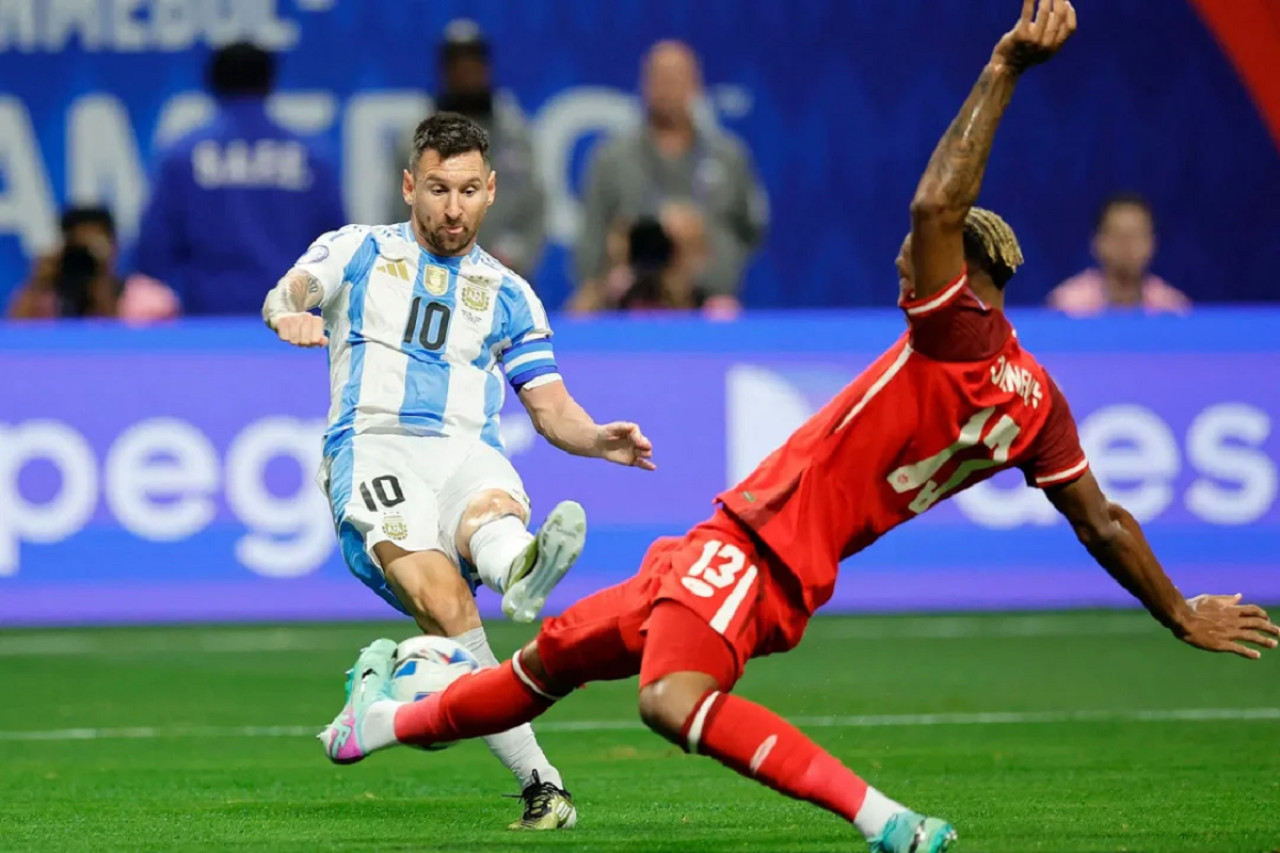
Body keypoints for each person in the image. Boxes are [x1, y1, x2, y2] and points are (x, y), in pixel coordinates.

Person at [316, 4, 1279, 852]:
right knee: (548, 660)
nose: (905, 273)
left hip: (758, 552)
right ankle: (378, 720)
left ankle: (882, 819)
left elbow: (937, 200)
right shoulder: (1037, 404)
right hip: (731, 549)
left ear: (967, 282)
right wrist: (1176, 609)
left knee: (668, 700)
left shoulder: (951, 332)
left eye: (918, 262)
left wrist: (1004, 69)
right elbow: (1104, 521)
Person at [263, 113, 654, 830]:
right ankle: (539, 762)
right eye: (438, 188)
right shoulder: (357, 250)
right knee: (449, 611)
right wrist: (288, 314)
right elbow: (289, 290)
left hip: (464, 451)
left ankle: (521, 570)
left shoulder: (509, 292)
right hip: (374, 450)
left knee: (489, 514)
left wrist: (598, 437)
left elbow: (550, 407)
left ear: (492, 189)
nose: (453, 207)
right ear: (410, 184)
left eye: (469, 190)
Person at [134, 42, 345, 315]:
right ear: (270, 83)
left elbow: (152, 254)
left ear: (213, 82)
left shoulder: (181, 156)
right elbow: (339, 247)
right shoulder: (313, 157)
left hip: (208, 323)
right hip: (296, 322)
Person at [572, 40, 768, 314]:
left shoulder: (728, 156)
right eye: (658, 78)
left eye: (676, 79)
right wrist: (594, 286)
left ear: (695, 85)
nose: (666, 89)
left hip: (711, 305)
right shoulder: (612, 158)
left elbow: (751, 229)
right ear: (644, 84)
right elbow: (591, 233)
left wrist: (705, 248)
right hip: (631, 307)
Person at [380, 19, 546, 280]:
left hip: (504, 275)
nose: (466, 72)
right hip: (432, 274)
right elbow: (398, 211)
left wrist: (512, 254)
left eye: (472, 62)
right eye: (457, 64)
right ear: (444, 71)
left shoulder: (514, 134)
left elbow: (535, 206)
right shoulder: (416, 137)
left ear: (486, 67)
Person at [7, 206, 175, 321]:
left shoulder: (151, 299)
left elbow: (121, 345)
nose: (85, 256)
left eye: (95, 245)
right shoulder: (44, 299)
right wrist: (38, 282)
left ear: (115, 244)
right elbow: (16, 339)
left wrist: (100, 276)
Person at [1047, 193, 1190, 316]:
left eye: (1136, 236)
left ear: (1152, 243)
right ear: (1097, 242)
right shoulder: (1068, 307)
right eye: (1118, 235)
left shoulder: (1172, 309)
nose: (1127, 246)